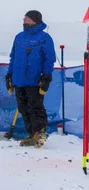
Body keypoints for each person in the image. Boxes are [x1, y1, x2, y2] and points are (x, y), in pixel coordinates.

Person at [6, 10, 56, 147]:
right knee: (23, 108)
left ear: (35, 20)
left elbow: (49, 59)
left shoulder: (44, 38)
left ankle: (39, 133)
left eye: (27, 18)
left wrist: (46, 77)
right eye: (24, 18)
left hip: (34, 80)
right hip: (18, 80)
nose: (24, 20)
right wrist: (9, 75)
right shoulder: (19, 37)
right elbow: (13, 57)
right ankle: (31, 134)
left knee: (35, 107)